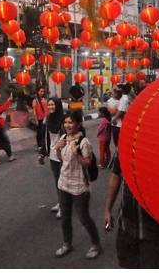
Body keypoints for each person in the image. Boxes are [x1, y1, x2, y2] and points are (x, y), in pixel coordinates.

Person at [103, 153, 159, 268]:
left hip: (154, 234)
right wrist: (107, 209)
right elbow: (116, 175)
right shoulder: (125, 143)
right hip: (126, 229)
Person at [52, 111, 101, 259]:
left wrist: (77, 154)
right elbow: (62, 161)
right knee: (65, 217)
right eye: (65, 122)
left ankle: (95, 244)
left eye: (71, 122)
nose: (67, 125)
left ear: (78, 124)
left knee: (83, 218)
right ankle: (67, 243)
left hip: (79, 186)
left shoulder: (83, 142)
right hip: (63, 183)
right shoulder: (63, 138)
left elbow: (87, 163)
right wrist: (59, 149)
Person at [45, 97, 64, 219]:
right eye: (49, 105)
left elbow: (67, 137)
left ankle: (64, 206)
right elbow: (45, 136)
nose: (51, 107)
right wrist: (43, 152)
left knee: (63, 181)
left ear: (57, 105)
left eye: (53, 105)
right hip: (52, 155)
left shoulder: (64, 119)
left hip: (63, 155)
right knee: (57, 180)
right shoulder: (48, 119)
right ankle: (61, 202)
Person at [32, 86, 49, 163]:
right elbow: (34, 111)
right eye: (41, 91)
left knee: (43, 133)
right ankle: (40, 146)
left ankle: (42, 146)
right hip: (39, 119)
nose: (42, 93)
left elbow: (47, 109)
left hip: (45, 119)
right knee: (40, 133)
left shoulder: (44, 99)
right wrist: (36, 120)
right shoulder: (35, 100)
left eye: (43, 91)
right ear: (38, 92)